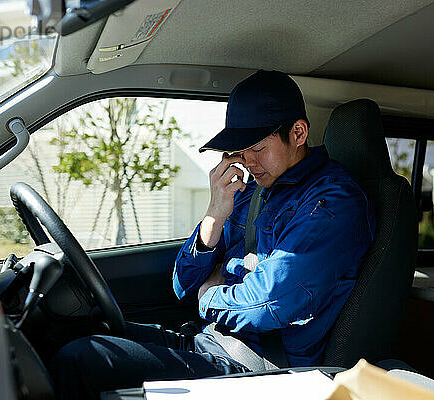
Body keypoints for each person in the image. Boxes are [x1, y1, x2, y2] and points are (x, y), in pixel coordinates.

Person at [50, 70, 375, 399]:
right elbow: (183, 285)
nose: (248, 160)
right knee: (72, 330)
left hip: (257, 366)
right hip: (211, 339)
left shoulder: (332, 203)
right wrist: (216, 212)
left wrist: (210, 294)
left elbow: (266, 301)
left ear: (298, 133)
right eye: (240, 151)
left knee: (83, 359)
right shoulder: (251, 193)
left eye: (258, 148)